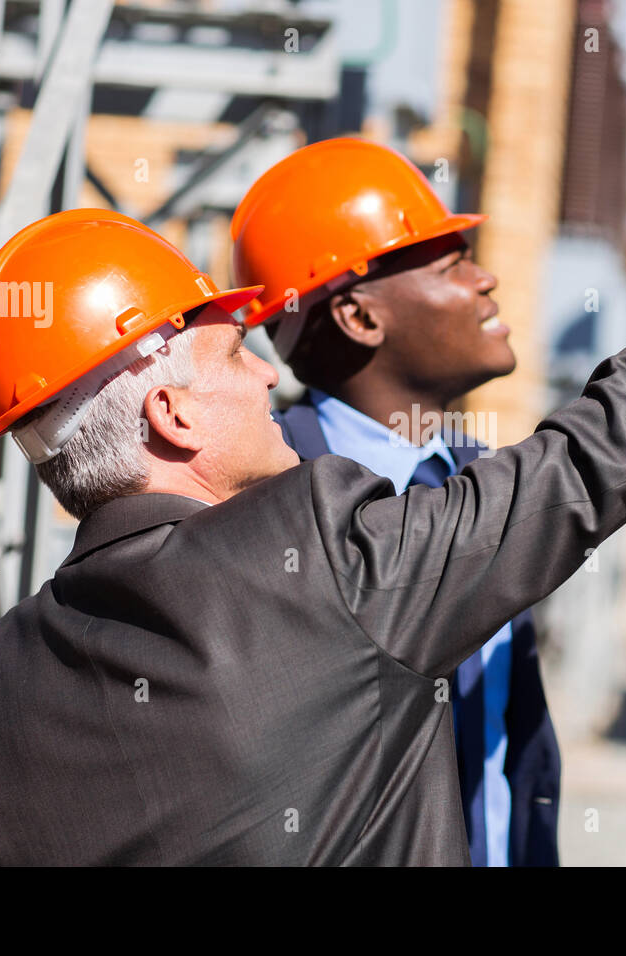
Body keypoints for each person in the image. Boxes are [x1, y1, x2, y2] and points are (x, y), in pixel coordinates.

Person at [0, 89, 626, 866]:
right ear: (171, 413)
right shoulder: (319, 557)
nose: (262, 368)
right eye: (230, 352)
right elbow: (589, 458)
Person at [231, 139, 561, 866]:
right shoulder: (262, 504)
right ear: (358, 317)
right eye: (452, 265)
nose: (487, 279)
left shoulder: (480, 478)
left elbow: (517, 759)